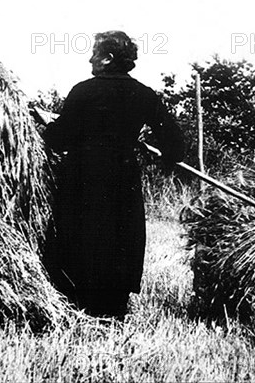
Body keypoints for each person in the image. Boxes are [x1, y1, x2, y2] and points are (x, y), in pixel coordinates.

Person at [41, 31, 184, 318]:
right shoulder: (144, 95)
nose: (90, 58)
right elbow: (176, 146)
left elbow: (58, 140)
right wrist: (155, 151)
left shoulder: (83, 91)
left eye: (94, 52)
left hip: (82, 176)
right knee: (118, 239)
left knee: (78, 235)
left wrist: (50, 125)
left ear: (107, 58)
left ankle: (74, 303)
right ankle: (112, 308)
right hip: (122, 178)